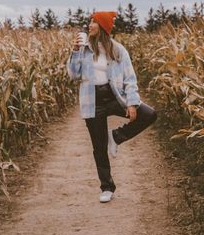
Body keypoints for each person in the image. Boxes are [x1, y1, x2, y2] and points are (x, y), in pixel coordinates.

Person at [67, 11, 157, 203]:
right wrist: (75, 51)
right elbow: (74, 75)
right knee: (99, 147)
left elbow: (130, 78)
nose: (89, 25)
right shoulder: (84, 48)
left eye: (94, 22)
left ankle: (116, 137)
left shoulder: (118, 50)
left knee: (148, 115)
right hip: (93, 100)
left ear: (103, 27)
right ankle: (107, 187)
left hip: (115, 97)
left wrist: (132, 103)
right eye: (90, 21)